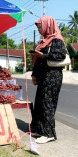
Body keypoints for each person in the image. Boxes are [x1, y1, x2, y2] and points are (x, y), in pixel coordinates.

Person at [30, 16, 66, 144]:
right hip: (43, 76)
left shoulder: (56, 40)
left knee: (47, 104)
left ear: (48, 25)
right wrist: (34, 74)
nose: (39, 29)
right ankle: (39, 129)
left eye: (40, 26)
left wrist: (42, 55)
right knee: (40, 103)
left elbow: (60, 55)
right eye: (38, 27)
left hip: (52, 77)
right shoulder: (45, 41)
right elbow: (39, 61)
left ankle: (49, 133)